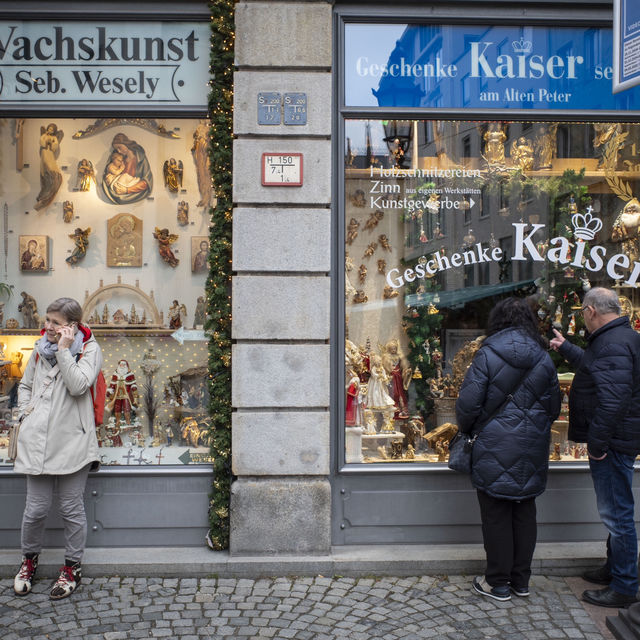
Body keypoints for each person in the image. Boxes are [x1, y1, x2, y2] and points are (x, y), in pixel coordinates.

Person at [456, 297, 561, 602]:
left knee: (496, 514)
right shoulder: (543, 358)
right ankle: (521, 581)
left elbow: (467, 406)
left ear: (497, 321)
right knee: (525, 511)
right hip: (531, 446)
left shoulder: (487, 354)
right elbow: (554, 407)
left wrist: (472, 429)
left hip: (492, 445)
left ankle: (497, 583)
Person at [550, 287, 640, 608]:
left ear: (590, 312)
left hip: (612, 443)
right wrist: (568, 348)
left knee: (618, 515)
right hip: (616, 440)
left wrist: (598, 443)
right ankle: (615, 569)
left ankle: (626, 585)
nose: (582, 318)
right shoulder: (617, 338)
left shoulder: (613, 343)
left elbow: (613, 399)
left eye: (582, 313)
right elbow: (596, 367)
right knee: (616, 510)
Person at [13, 297, 103, 599]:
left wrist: (64, 351)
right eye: (47, 320)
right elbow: (25, 386)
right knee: (35, 509)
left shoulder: (89, 349)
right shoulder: (39, 350)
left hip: (73, 441)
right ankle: (29, 561)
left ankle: (72, 567)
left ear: (71, 326)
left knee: (70, 508)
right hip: (37, 440)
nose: (47, 327)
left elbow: (79, 385)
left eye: (54, 322)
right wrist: (26, 414)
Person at [105, 359, 139, 426]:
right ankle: (117, 421)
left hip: (127, 395)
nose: (122, 366)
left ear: (126, 366)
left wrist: (134, 390)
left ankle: (128, 421)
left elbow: (133, 384)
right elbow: (112, 384)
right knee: (117, 408)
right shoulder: (115, 374)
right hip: (117, 395)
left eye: (123, 364)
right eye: (121, 364)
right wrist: (110, 391)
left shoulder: (130, 374)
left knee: (127, 408)